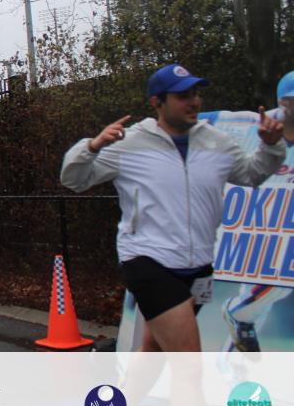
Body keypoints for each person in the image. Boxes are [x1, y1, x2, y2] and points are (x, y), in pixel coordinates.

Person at [60, 63, 284, 351]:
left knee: (153, 352)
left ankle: (127, 384)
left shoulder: (217, 142)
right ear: (157, 102)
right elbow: (74, 180)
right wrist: (91, 147)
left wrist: (271, 146)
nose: (194, 102)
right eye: (182, 96)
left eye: (195, 94)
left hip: (199, 266)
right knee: (188, 363)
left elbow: (252, 175)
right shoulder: (129, 144)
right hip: (148, 261)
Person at [212, 70, 294, 352]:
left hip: (282, 226)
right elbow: (190, 122)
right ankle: (236, 315)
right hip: (248, 225)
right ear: (283, 103)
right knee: (266, 294)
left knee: (258, 308)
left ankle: (231, 362)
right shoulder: (246, 125)